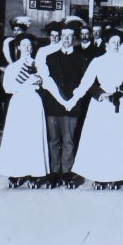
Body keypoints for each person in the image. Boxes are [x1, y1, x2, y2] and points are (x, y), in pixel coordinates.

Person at [65, 29, 123, 189]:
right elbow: (85, 83)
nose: (116, 45)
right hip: (100, 106)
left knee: (117, 140)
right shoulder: (97, 62)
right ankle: (100, 177)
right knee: (100, 140)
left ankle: (116, 176)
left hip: (118, 104)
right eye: (112, 42)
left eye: (118, 42)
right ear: (106, 44)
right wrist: (72, 100)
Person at [0, 33, 66, 189]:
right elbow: (8, 88)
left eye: (29, 45)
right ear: (19, 47)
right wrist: (27, 82)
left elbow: (46, 83)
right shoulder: (13, 67)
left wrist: (40, 81)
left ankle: (34, 173)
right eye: (24, 45)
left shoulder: (39, 65)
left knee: (33, 138)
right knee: (17, 138)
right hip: (19, 103)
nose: (27, 48)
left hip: (34, 103)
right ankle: (15, 173)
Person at [39, 20, 89, 188]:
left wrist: (73, 99)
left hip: (72, 105)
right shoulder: (50, 58)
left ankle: (67, 171)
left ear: (74, 39)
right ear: (60, 38)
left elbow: (84, 82)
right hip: (53, 104)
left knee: (68, 139)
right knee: (54, 139)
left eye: (69, 37)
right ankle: (54, 172)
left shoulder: (81, 58)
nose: (66, 39)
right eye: (64, 36)